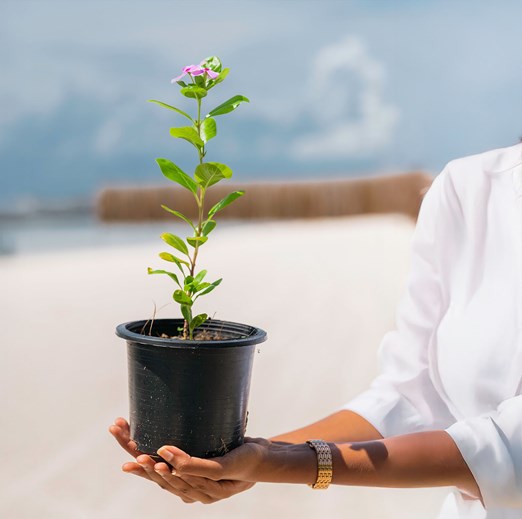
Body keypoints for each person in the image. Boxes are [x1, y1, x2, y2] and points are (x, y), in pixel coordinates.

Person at [110, 142, 522, 518]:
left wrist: (280, 463)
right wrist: (247, 460)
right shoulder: (470, 189)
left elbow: (506, 448)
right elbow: (410, 395)